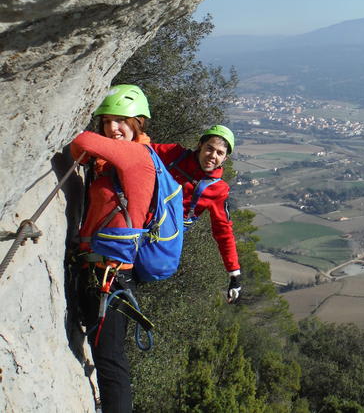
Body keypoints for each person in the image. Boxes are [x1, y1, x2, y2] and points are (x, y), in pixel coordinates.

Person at [71, 84, 156, 413]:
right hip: (98, 272)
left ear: (139, 123)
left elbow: (81, 143)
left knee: (110, 362)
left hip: (111, 279)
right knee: (104, 355)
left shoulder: (136, 156)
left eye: (121, 121)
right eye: (106, 121)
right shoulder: (115, 160)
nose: (112, 128)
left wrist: (97, 148)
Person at [151, 125, 242, 302]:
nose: (213, 156)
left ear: (225, 158)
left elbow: (223, 232)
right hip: (141, 216)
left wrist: (234, 274)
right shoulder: (174, 154)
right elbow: (142, 150)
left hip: (164, 238)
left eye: (220, 153)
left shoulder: (217, 189)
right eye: (210, 148)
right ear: (200, 145)